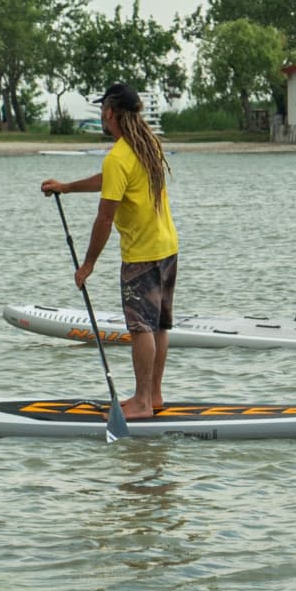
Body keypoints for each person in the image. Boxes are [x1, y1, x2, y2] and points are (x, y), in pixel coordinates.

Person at [41, 83, 178, 418]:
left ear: (111, 113)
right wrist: (68, 188)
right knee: (158, 325)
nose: (102, 114)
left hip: (142, 253)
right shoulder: (146, 146)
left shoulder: (119, 155)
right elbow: (110, 180)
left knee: (140, 327)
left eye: (104, 109)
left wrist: (87, 264)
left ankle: (143, 402)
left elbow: (105, 216)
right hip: (167, 246)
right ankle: (154, 395)